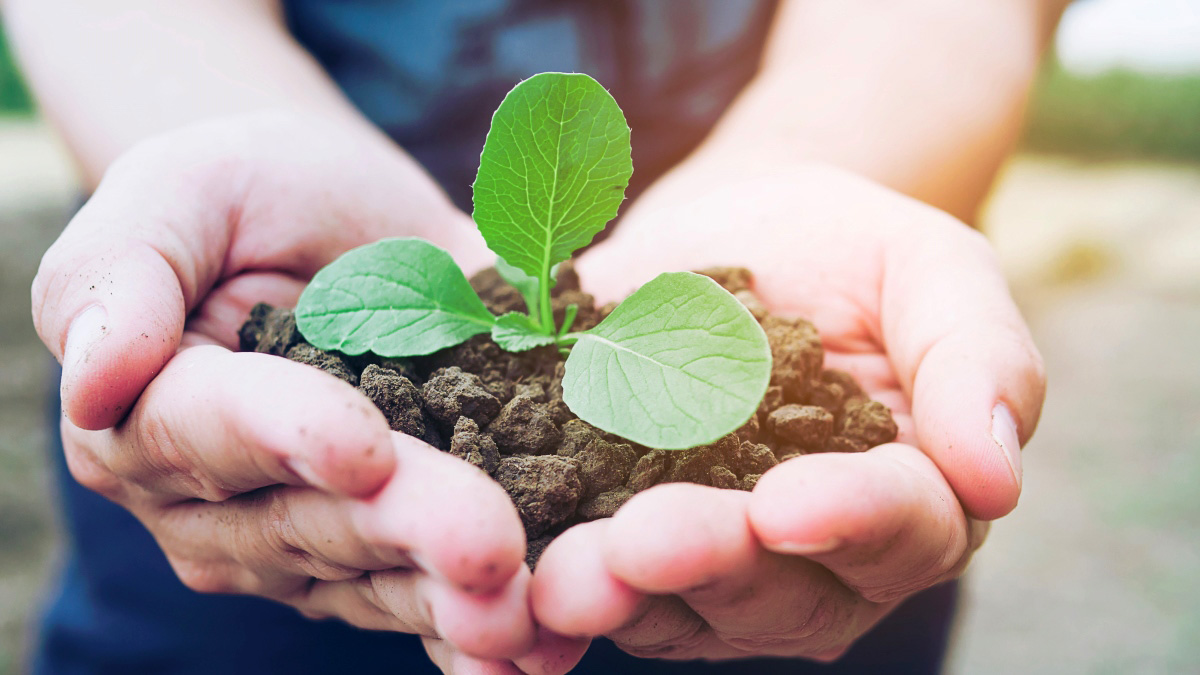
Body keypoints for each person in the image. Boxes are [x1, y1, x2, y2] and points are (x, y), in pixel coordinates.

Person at [6, 0, 1062, 672]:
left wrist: (842, 159)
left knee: (810, 521)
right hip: (240, 581)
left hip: (779, 603)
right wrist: (210, 128)